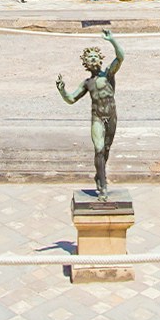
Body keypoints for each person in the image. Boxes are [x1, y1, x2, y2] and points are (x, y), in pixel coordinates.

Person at [56, 29, 123, 199]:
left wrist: (112, 40)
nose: (92, 59)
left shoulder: (108, 74)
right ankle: (103, 185)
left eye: (95, 56)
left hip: (111, 117)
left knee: (106, 150)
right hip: (98, 118)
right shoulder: (87, 83)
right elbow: (71, 99)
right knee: (99, 149)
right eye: (89, 57)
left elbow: (121, 57)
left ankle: (99, 174)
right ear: (85, 63)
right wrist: (62, 91)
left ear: (100, 59)